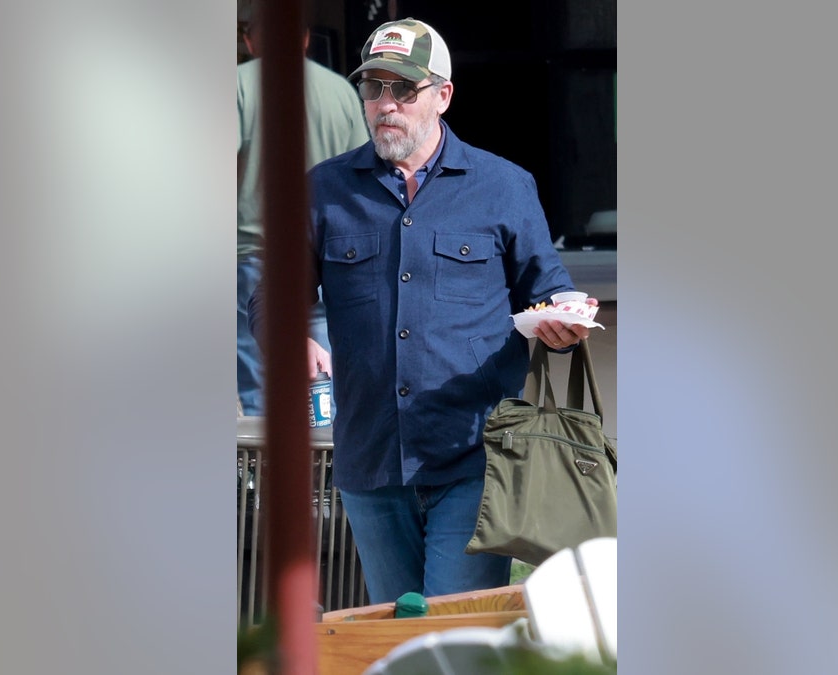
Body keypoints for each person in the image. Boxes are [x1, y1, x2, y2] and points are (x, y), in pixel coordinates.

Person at [248, 17, 598, 604]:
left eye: (403, 89)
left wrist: (563, 326)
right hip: (370, 460)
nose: (386, 104)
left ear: (443, 95)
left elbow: (549, 288)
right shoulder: (322, 190)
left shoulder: (504, 186)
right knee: (398, 641)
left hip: (474, 458)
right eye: (374, 87)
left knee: (452, 636)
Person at [236, 3, 370, 416]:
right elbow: (362, 175)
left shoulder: (237, 85)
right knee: (324, 376)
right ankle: (325, 472)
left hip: (255, 253)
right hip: (333, 252)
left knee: (263, 379)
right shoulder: (342, 92)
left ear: (248, 39)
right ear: (306, 39)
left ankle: (265, 475)